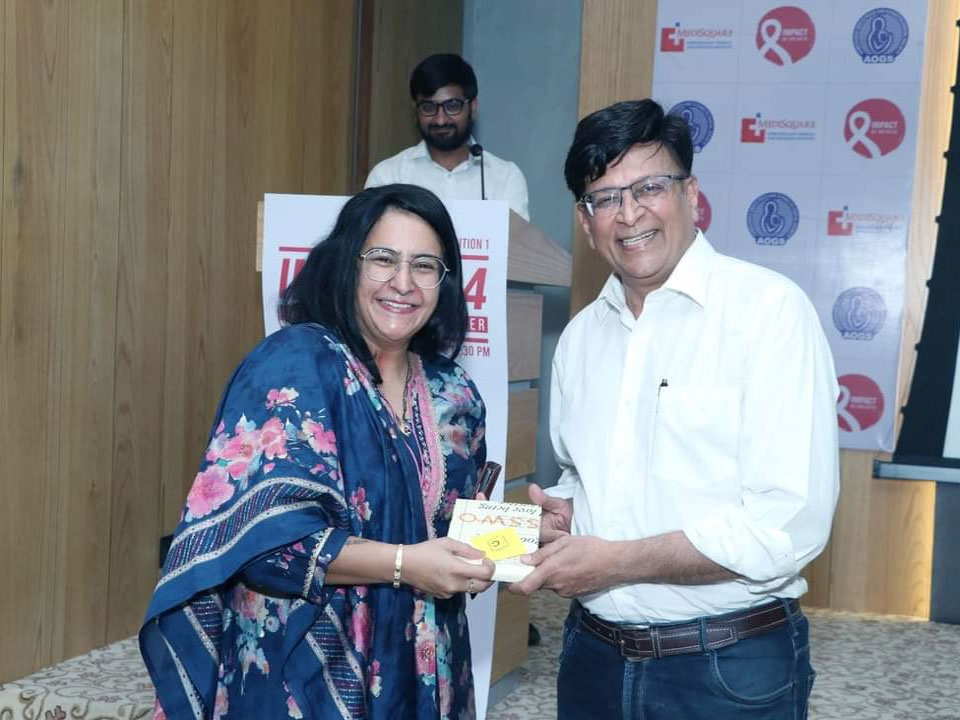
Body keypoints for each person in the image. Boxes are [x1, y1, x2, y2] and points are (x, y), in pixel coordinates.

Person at [511, 99, 840, 720]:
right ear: (585, 222)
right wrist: (566, 513)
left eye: (649, 188)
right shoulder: (579, 339)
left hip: (726, 666)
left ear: (690, 194)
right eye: (605, 198)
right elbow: (585, 471)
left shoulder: (768, 313)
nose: (629, 213)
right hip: (591, 659)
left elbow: (786, 523)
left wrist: (616, 562)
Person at [140, 184, 496, 719]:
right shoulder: (292, 366)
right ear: (347, 264)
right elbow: (264, 544)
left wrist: (512, 542)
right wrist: (405, 565)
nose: (403, 283)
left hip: (424, 667)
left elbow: (455, 525)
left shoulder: (455, 394)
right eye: (383, 259)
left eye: (424, 266)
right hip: (306, 670)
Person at [364, 53, 530, 220]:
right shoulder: (388, 177)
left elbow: (517, 238)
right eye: (428, 107)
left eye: (452, 106)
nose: (440, 120)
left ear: (473, 107)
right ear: (416, 110)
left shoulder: (505, 178)